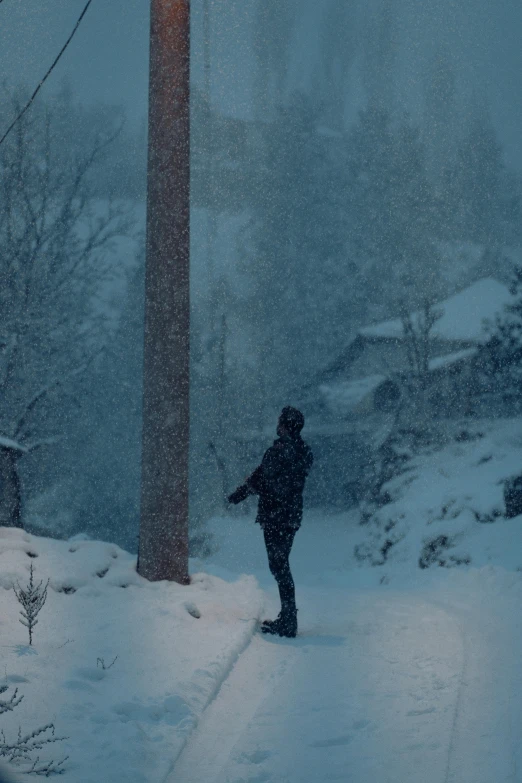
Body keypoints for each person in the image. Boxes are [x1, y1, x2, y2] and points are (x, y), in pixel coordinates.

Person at [228, 406, 313, 638]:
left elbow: (263, 478)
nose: (277, 425)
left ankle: (288, 621)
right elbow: (273, 479)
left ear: (285, 425)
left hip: (275, 516)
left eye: (280, 421)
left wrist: (242, 493)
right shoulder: (303, 451)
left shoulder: (278, 452)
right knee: (281, 564)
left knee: (279, 566)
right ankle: (287, 617)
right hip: (291, 516)